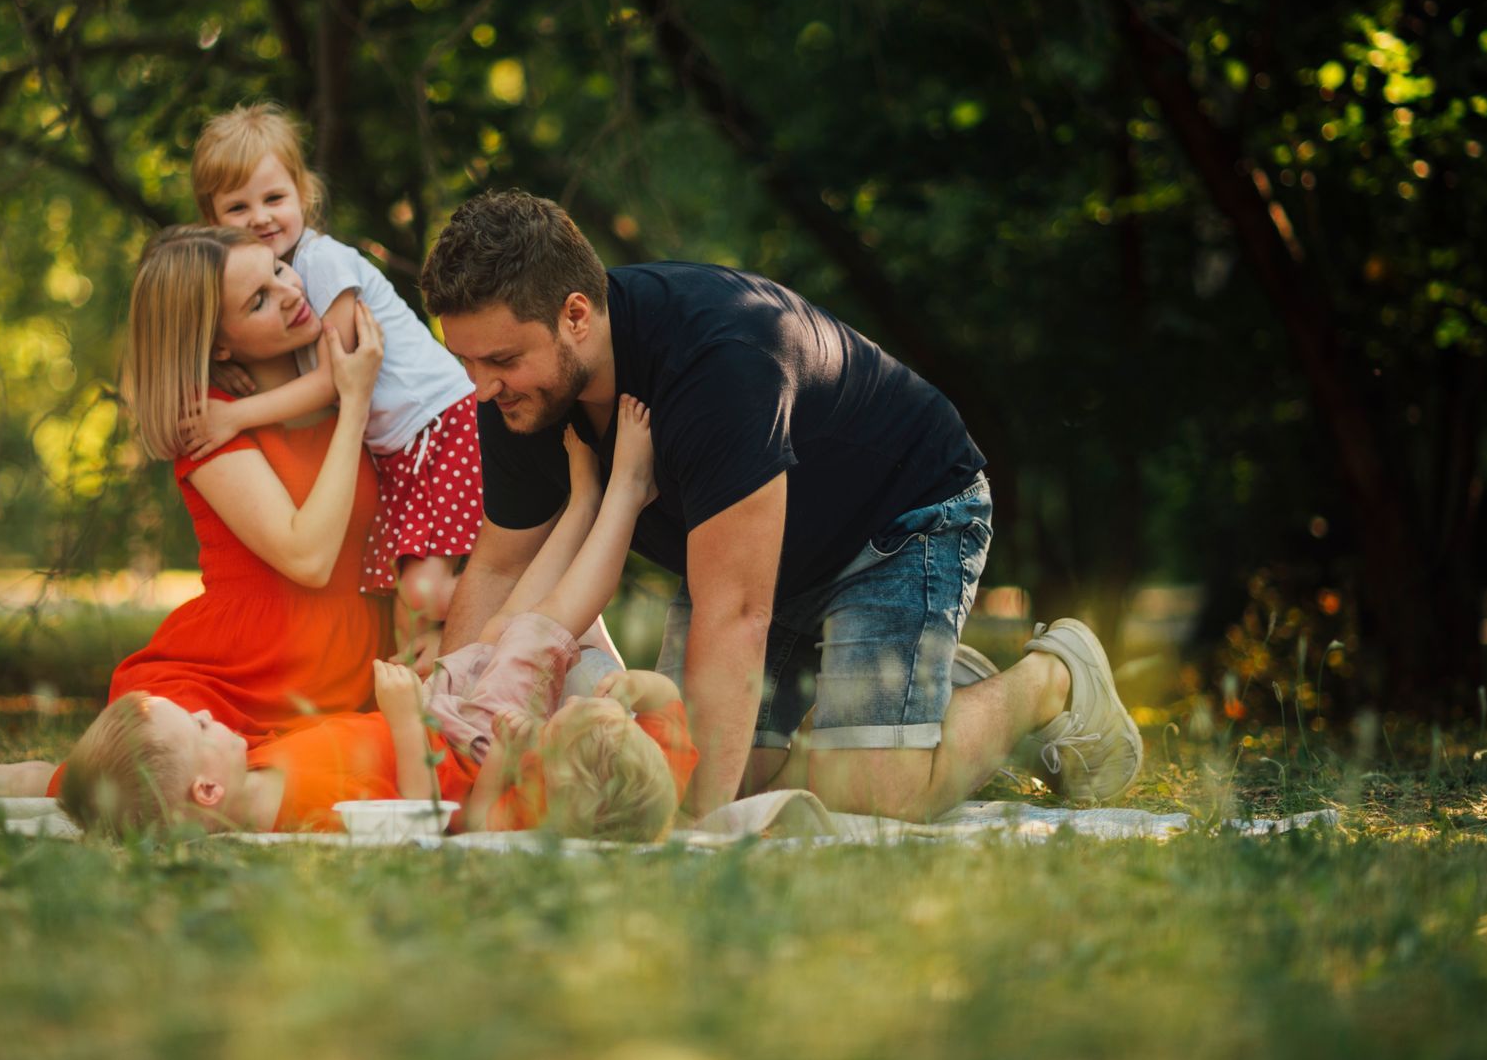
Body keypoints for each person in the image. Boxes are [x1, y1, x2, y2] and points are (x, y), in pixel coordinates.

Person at [416, 188, 1142, 822]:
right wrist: (443, 754)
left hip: (901, 520)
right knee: (706, 773)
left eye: (501, 361)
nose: (481, 388)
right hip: (752, 559)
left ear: (576, 315)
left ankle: (1052, 678)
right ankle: (925, 700)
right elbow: (503, 569)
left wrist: (697, 831)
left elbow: (738, 614)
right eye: (467, 362)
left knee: (870, 794)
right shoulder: (519, 399)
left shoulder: (716, 365)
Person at [56, 397, 696, 841]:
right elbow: (420, 825)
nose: (204, 712)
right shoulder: (306, 816)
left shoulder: (257, 773)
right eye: (197, 724)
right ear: (206, 792)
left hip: (445, 716)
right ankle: (623, 494)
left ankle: (582, 501)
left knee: (506, 627)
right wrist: (404, 722)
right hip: (467, 747)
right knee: (538, 628)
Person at [0, 224, 393, 797]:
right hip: (228, 682)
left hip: (338, 671)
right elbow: (307, 556)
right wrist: (353, 403)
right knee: (171, 792)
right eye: (257, 301)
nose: (289, 292)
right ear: (219, 345)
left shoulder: (348, 378)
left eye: (279, 269)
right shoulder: (208, 421)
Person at [187, 102, 481, 664]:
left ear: (303, 195)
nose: (260, 218)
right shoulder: (282, 280)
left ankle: (524, 594)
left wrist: (235, 415)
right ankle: (426, 709)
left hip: (440, 426)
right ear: (212, 221)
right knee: (409, 611)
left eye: (274, 199)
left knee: (422, 594)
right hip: (403, 449)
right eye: (237, 207)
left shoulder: (322, 262)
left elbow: (337, 382)